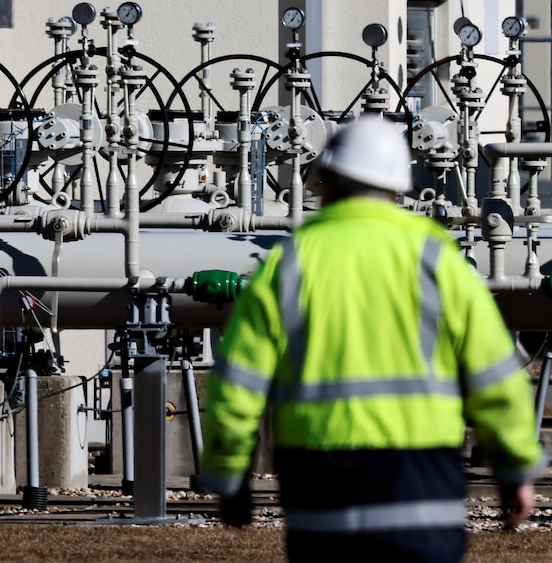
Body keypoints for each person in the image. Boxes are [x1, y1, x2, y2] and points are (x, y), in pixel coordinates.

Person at [200, 116, 546, 562]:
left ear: (326, 182)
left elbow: (237, 384)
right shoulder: (436, 257)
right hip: (422, 483)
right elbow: (494, 375)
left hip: (321, 488)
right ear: (396, 188)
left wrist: (230, 477)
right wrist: (516, 469)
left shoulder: (289, 265)